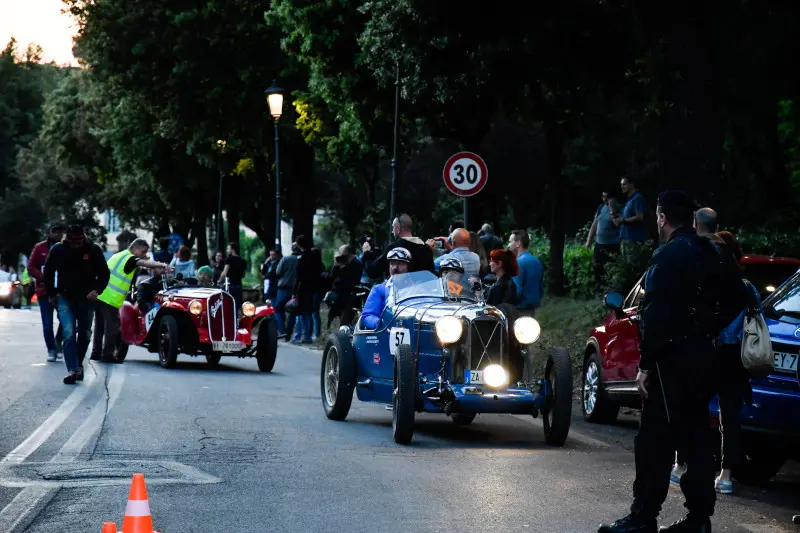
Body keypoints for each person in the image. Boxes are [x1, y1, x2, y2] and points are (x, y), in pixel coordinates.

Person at [599, 191, 748, 533]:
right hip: (705, 357)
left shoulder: (668, 257)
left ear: (662, 218)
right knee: (697, 436)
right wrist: (706, 326)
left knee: (654, 440)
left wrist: (646, 366)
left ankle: (643, 517)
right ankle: (698, 519)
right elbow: (739, 297)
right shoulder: (715, 253)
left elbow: (657, 316)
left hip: (672, 362)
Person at [43, 224, 110, 385]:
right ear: (67, 239)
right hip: (64, 296)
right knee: (68, 332)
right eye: (73, 242)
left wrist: (97, 290)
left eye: (79, 242)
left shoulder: (93, 250)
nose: (76, 245)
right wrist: (51, 293)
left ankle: (78, 363)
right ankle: (73, 369)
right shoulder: (58, 250)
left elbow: (104, 273)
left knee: (86, 333)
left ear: (83, 239)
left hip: (87, 298)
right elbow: (48, 272)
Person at [91, 238, 172, 364]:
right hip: (110, 298)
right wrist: (161, 265)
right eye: (143, 252)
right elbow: (145, 263)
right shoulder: (130, 258)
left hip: (101, 294)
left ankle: (96, 353)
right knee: (112, 326)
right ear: (135, 248)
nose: (144, 255)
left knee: (99, 326)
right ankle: (107, 355)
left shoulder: (118, 255)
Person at [27, 222, 66, 362]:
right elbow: (31, 267)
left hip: (61, 292)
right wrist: (44, 277)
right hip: (44, 292)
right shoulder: (40, 248)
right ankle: (51, 349)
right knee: (47, 323)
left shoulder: (66, 248)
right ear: (48, 233)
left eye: (60, 231)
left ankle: (58, 342)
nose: (57, 234)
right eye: (54, 231)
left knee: (65, 320)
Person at [368, 214, 434, 278]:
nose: (392, 232)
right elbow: (432, 275)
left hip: (400, 288)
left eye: (393, 227)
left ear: (398, 228)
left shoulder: (394, 248)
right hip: (423, 288)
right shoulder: (427, 249)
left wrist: (367, 253)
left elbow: (373, 272)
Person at [361, 248, 413, 330]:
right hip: (384, 334)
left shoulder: (417, 289)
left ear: (408, 267)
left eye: (400, 264)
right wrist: (380, 323)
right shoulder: (378, 289)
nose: (395, 268)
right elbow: (367, 316)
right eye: (392, 263)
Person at [586, 191, 622, 290]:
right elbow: (595, 224)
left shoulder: (618, 208)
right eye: (603, 196)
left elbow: (617, 224)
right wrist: (588, 241)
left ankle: (612, 289)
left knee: (612, 267)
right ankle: (600, 287)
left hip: (612, 244)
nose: (605, 199)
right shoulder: (601, 208)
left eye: (607, 197)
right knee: (597, 265)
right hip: (599, 243)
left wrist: (611, 210)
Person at [292, 235, 323, 344]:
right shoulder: (315, 257)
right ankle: (308, 335)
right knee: (309, 312)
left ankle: (305, 336)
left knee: (302, 312)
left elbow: (298, 276)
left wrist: (294, 291)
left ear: (299, 245)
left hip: (303, 288)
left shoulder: (302, 258)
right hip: (314, 287)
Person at [507, 230, 544, 317]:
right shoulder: (537, 262)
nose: (508, 245)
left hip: (518, 310)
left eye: (510, 241)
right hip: (532, 310)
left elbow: (516, 290)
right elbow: (540, 289)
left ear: (518, 243)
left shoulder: (517, 263)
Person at [325, 244, 362, 329]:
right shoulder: (342, 263)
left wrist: (344, 267)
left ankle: (344, 333)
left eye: (342, 253)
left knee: (346, 317)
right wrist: (336, 265)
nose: (341, 256)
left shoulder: (356, 263)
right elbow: (332, 276)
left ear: (348, 253)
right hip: (340, 293)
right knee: (337, 313)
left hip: (350, 294)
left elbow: (352, 279)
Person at [217, 242, 247, 311]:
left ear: (232, 250)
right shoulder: (243, 261)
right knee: (236, 306)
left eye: (228, 249)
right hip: (239, 285)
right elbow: (243, 275)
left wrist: (219, 281)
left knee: (228, 305)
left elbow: (225, 272)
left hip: (230, 286)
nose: (227, 250)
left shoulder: (229, 260)